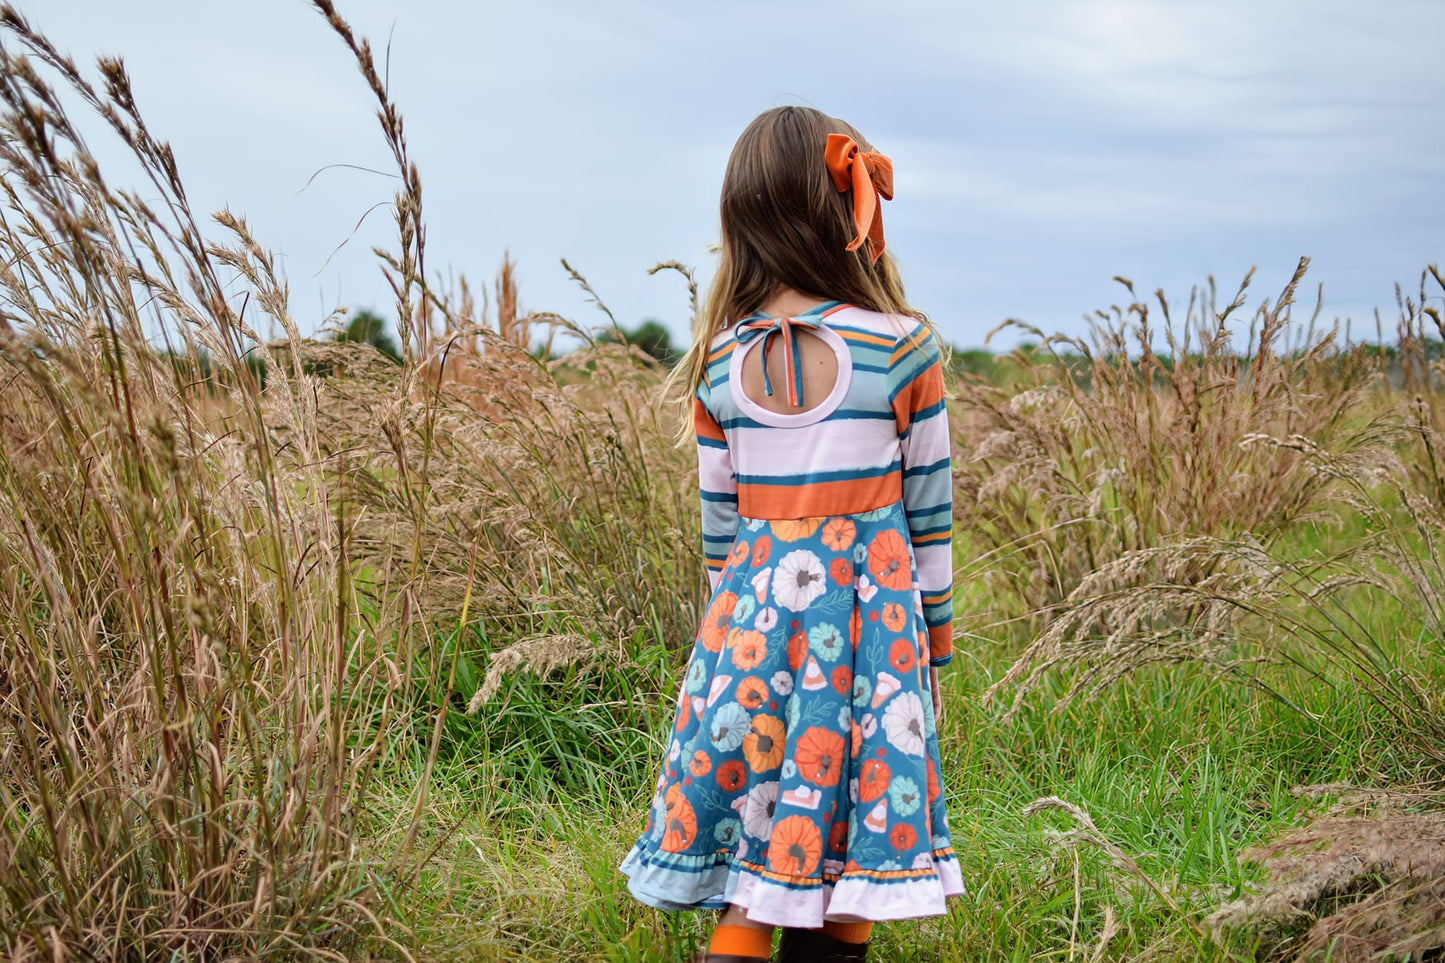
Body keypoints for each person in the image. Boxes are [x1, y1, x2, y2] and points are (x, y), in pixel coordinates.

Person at [619, 105, 962, 963]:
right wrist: (936, 642)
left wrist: (724, 652)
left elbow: (719, 537)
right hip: (871, 644)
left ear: (744, 219)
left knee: (755, 863)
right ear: (843, 209)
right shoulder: (901, 350)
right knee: (850, 844)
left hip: (746, 641)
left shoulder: (719, 363)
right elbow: (929, 515)